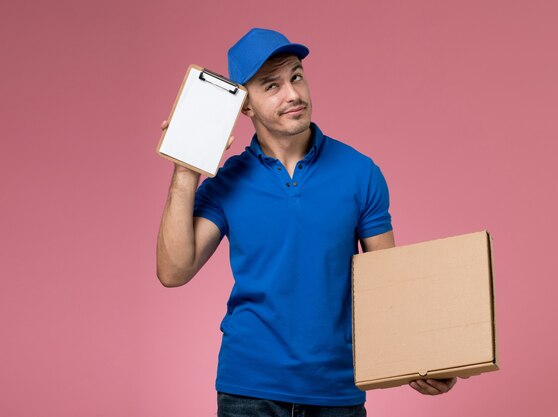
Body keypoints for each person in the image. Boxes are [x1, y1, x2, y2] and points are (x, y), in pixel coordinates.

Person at [156, 28, 458, 417]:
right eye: (272, 86)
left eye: (296, 76)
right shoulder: (227, 181)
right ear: (245, 106)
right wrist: (186, 171)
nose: (293, 94)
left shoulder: (359, 173)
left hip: (335, 391)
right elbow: (173, 270)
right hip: (248, 390)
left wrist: (427, 358)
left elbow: (387, 286)